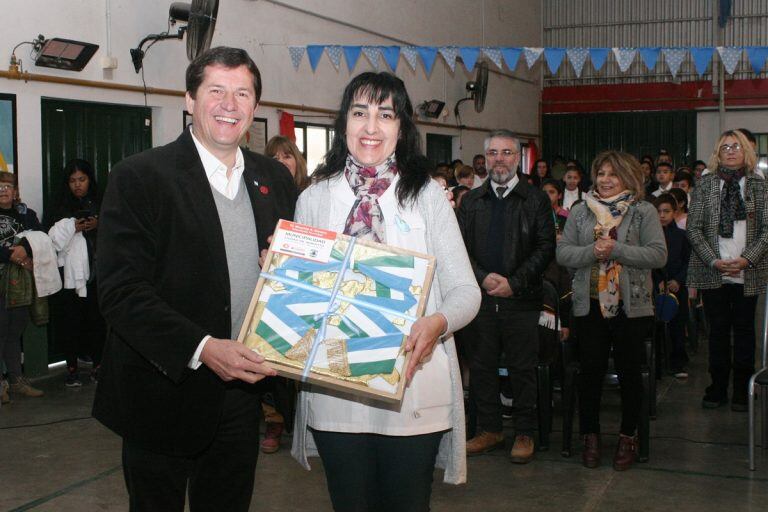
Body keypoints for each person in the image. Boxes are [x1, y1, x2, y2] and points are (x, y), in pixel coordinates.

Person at [93, 47, 296, 511]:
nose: (230, 104)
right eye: (216, 91)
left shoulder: (273, 180)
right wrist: (203, 348)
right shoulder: (141, 177)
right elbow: (121, 292)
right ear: (189, 99)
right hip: (162, 392)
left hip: (243, 394)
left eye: (242, 92)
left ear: (255, 106)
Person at [291, 71, 481, 512]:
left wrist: (438, 322)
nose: (371, 128)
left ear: (402, 127)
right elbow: (301, 296)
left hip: (412, 390)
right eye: (359, 113)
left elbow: (465, 293)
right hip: (336, 394)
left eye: (385, 114)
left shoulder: (427, 196)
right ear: (343, 123)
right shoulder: (315, 199)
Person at [557, 150, 666, 471]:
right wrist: (594, 251)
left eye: (613, 174)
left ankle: (627, 436)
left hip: (631, 307)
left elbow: (658, 255)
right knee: (589, 373)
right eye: (601, 173)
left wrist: (616, 249)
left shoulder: (643, 211)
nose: (605, 180)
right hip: (588, 306)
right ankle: (590, 435)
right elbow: (563, 253)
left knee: (630, 374)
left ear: (629, 177)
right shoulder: (580, 211)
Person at [457, 129, 555, 464]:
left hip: (522, 298)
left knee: (521, 367)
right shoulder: (470, 201)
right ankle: (490, 430)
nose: (500, 159)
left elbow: (546, 248)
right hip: (481, 299)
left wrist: (514, 282)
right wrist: (484, 279)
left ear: (519, 158)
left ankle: (524, 432)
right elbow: (458, 249)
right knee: (482, 366)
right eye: (494, 153)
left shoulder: (536, 199)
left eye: (507, 152)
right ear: (486, 159)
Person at [686, 129, 768, 412]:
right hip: (713, 271)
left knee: (745, 331)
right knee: (718, 331)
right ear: (717, 154)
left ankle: (742, 392)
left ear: (746, 151)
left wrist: (747, 259)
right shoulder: (705, 184)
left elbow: (767, 231)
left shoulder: (760, 185)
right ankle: (717, 388)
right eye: (725, 147)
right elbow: (694, 229)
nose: (731, 151)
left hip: (749, 270)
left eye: (736, 146)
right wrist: (714, 261)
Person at [46, 159, 106, 387]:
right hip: (68, 277)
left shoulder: (101, 202)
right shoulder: (59, 204)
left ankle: (98, 366)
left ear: (90, 180)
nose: (77, 185)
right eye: (72, 181)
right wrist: (73, 227)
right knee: (70, 322)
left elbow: (118, 228)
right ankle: (71, 368)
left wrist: (98, 224)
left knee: (97, 321)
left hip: (97, 274)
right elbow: (50, 237)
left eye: (82, 179)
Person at [0, 171, 45, 403]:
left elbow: (41, 235)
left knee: (14, 332)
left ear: (15, 191)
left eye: (8, 186)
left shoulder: (26, 215)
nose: (4, 190)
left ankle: (16, 381)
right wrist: (11, 255)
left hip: (21, 284)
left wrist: (26, 249)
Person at [653, 193, 691, 378]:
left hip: (677, 286)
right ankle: (656, 365)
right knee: (655, 328)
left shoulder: (682, 236)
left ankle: (677, 363)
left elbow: (688, 262)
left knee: (677, 325)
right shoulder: (649, 237)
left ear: (675, 213)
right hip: (655, 287)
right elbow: (647, 261)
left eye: (666, 211)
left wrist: (678, 280)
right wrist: (657, 280)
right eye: (658, 211)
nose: (662, 215)